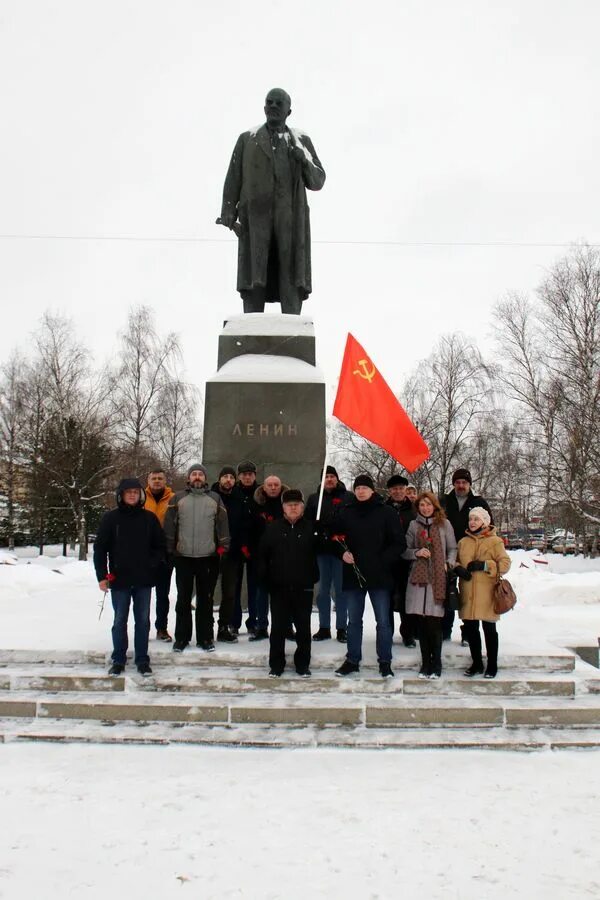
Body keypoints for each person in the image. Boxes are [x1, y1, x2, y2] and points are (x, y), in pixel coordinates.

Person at [218, 88, 326, 314]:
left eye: (279, 103)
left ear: (289, 111)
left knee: (289, 270)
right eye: (270, 102)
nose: (274, 106)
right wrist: (228, 210)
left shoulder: (301, 141)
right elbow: (233, 177)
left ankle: (292, 323)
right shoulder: (247, 139)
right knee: (255, 271)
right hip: (256, 217)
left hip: (290, 217)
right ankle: (252, 323)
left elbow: (317, 181)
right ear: (264, 107)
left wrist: (303, 160)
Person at [331, 474, 405, 678]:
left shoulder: (387, 512)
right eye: (357, 488)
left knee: (383, 621)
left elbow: (399, 543)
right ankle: (352, 660)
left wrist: (382, 560)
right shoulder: (345, 512)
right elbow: (333, 538)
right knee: (353, 620)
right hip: (353, 575)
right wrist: (341, 553)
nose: (361, 491)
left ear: (372, 490)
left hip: (380, 576)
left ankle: (385, 661)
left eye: (365, 487)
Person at [93, 478, 166, 676]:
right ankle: (118, 659)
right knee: (119, 620)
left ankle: (142, 660)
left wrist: (151, 563)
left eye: (136, 491)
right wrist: (102, 576)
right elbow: (100, 549)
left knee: (142, 621)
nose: (132, 495)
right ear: (121, 495)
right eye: (128, 492)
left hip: (143, 580)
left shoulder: (149, 518)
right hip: (119, 580)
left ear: (140, 495)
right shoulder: (111, 519)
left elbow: (160, 546)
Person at [163, 464, 230, 653]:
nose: (197, 477)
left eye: (200, 474)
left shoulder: (214, 498)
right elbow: (169, 526)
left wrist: (223, 547)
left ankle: (205, 637)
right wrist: (170, 549)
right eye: (194, 474)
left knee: (205, 600)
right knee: (183, 600)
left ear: (205, 478)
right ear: (189, 478)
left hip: (207, 557)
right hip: (183, 556)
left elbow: (223, 525)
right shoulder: (178, 498)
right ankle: (182, 638)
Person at [258, 489, 320, 677]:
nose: (293, 508)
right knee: (278, 628)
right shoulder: (273, 528)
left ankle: (302, 664)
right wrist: (265, 579)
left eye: (296, 505)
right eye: (289, 505)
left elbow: (324, 549)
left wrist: (321, 534)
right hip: (279, 587)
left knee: (303, 628)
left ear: (302, 507)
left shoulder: (311, 528)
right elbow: (262, 556)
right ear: (283, 508)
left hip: (304, 586)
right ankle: (276, 664)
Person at [403, 492, 457, 679]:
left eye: (428, 505)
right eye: (422, 505)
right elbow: (405, 550)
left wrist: (448, 563)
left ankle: (437, 662)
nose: (425, 508)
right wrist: (417, 552)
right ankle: (425, 663)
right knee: (423, 624)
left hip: (437, 579)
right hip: (419, 579)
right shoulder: (413, 525)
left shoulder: (444, 524)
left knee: (435, 624)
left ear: (434, 506)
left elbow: (452, 548)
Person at [455, 507, 511, 679]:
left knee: (489, 629)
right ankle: (477, 663)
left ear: (485, 522)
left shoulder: (495, 541)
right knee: (471, 630)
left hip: (487, 593)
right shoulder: (463, 542)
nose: (472, 522)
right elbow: (455, 561)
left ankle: (492, 664)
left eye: (476, 519)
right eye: (470, 519)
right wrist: (458, 569)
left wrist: (485, 565)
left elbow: (505, 564)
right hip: (468, 592)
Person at [441, 468, 493, 642]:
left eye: (464, 482)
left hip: (471, 553)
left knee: (467, 593)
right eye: (458, 482)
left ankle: (467, 632)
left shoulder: (478, 502)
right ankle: (445, 629)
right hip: (447, 551)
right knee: (448, 591)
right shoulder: (444, 501)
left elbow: (488, 526)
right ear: (453, 484)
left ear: (469, 484)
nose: (461, 485)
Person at [305, 465, 351, 643]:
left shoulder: (348, 497)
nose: (329, 479)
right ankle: (324, 627)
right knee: (323, 590)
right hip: (322, 551)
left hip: (340, 551)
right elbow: (309, 522)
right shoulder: (315, 499)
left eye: (332, 476)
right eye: (326, 476)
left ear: (337, 479)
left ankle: (342, 628)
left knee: (340, 591)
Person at [211, 465, 254, 643]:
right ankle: (206, 626)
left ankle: (225, 626)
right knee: (208, 592)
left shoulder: (240, 499)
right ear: (219, 479)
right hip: (210, 552)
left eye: (231, 477)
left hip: (233, 552)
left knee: (230, 592)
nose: (228, 480)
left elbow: (244, 525)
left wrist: (241, 546)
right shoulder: (210, 496)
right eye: (225, 476)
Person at [251, 474, 290, 641]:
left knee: (285, 594)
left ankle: (287, 627)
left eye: (276, 485)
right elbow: (250, 528)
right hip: (262, 556)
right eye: (270, 485)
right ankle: (261, 627)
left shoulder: (288, 505)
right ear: (264, 487)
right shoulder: (256, 505)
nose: (273, 487)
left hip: (284, 556)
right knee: (261, 594)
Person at [144, 468, 175, 642]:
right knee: (144, 593)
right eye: (153, 478)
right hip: (145, 553)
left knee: (163, 594)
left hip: (165, 552)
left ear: (165, 480)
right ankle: (143, 626)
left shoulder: (173, 498)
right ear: (148, 480)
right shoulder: (141, 498)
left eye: (160, 478)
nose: (157, 481)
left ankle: (161, 628)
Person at [385, 474, 417, 646]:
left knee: (407, 598)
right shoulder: (383, 508)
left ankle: (408, 633)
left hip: (408, 561)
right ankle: (387, 632)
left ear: (405, 490)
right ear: (389, 491)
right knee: (387, 599)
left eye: (400, 488)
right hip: (388, 561)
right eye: (394, 489)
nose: (397, 491)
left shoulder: (414, 509)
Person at [232, 461, 260, 636]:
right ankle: (233, 623)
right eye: (244, 474)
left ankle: (253, 622)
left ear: (255, 476)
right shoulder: (232, 492)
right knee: (234, 587)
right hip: (235, 545)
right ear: (239, 476)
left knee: (254, 588)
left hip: (256, 546)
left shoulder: (261, 493)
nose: (247, 477)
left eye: (250, 474)